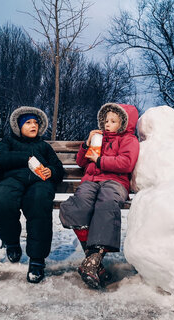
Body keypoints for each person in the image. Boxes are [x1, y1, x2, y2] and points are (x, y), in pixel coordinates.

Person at [59, 103, 140, 289]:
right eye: (105, 120)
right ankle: (94, 262)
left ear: (124, 124)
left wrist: (100, 160)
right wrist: (87, 144)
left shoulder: (129, 140)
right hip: (90, 181)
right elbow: (81, 163)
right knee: (77, 205)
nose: (107, 124)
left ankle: (93, 260)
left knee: (106, 204)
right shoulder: (98, 138)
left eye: (113, 121)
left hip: (115, 182)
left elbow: (126, 163)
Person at [0, 106, 64, 283]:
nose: (33, 125)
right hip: (12, 180)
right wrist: (26, 158)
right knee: (1, 200)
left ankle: (37, 260)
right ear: (18, 126)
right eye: (28, 122)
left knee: (39, 203)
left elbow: (59, 168)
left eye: (35, 122)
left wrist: (51, 171)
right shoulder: (8, 142)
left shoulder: (43, 146)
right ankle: (12, 242)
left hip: (39, 183)